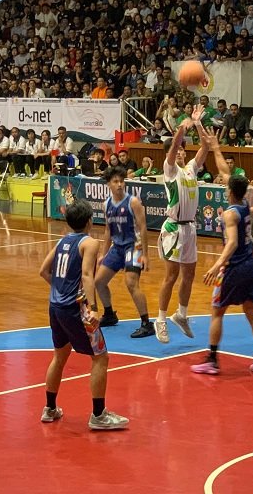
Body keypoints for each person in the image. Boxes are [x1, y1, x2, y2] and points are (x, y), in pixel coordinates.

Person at [39, 199, 129, 430]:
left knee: (59, 356)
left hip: (55, 306)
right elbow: (88, 276)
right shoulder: (89, 243)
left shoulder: (62, 241)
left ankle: (49, 409)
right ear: (90, 221)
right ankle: (98, 415)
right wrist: (94, 308)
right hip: (75, 309)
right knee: (101, 357)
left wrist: (59, 289)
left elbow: (43, 271)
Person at [191, 133, 253, 375]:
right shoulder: (245, 202)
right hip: (251, 266)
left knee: (217, 311)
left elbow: (233, 243)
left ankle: (212, 359)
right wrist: (215, 148)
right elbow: (227, 173)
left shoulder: (230, 214)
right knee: (251, 312)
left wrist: (217, 265)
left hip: (235, 267)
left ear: (229, 190)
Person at [155, 105, 210, 344]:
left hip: (189, 228)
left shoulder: (190, 170)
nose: (179, 152)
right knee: (171, 275)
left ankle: (182, 314)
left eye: (182, 151)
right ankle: (160, 319)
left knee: (189, 274)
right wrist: (181, 128)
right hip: (173, 228)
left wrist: (197, 123)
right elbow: (174, 145)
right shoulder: (169, 171)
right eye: (176, 150)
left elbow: (206, 147)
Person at [94, 166, 154, 338]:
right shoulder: (106, 204)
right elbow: (107, 231)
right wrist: (103, 254)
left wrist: (146, 256)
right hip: (117, 248)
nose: (120, 184)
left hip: (134, 246)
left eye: (122, 181)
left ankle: (146, 323)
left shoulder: (133, 202)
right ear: (109, 184)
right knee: (99, 281)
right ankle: (109, 314)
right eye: (116, 182)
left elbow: (143, 228)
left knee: (131, 283)